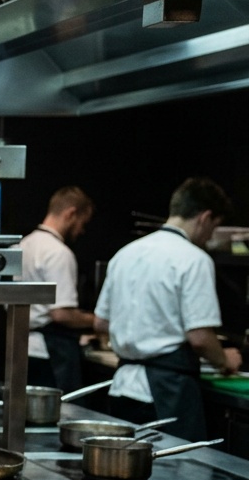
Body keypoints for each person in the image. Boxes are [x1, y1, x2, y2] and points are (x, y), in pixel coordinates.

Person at [94, 177, 241, 442]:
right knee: (176, 477)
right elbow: (200, 338)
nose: (209, 238)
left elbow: (101, 323)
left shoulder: (125, 253)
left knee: (124, 471)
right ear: (205, 217)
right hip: (167, 393)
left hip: (122, 387)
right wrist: (224, 360)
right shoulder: (194, 259)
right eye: (214, 228)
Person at [17, 187, 96, 392]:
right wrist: (98, 321)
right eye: (83, 223)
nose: (82, 231)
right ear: (71, 213)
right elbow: (61, 314)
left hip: (21, 348)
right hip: (49, 354)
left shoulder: (21, 246)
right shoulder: (58, 252)